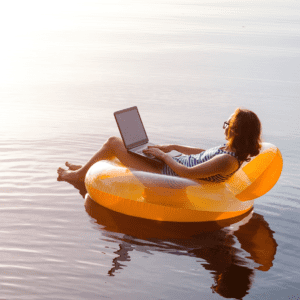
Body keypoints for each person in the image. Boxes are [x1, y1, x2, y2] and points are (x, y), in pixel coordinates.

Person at [57, 107, 262, 183]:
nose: (224, 127)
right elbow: (203, 154)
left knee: (113, 142)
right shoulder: (230, 151)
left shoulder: (227, 161)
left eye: (227, 124)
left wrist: (163, 156)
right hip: (169, 162)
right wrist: (171, 147)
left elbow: (187, 174)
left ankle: (78, 175)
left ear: (235, 131)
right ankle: (85, 168)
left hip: (166, 172)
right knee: (131, 146)